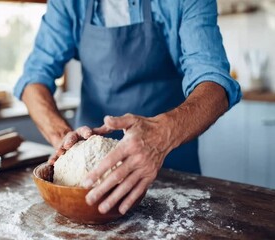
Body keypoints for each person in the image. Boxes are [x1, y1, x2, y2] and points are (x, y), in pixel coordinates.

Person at [14, 0, 241, 215]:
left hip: (172, 167)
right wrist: (66, 142)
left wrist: (161, 136)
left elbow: (215, 84)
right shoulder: (69, 4)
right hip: (88, 173)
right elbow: (34, 79)